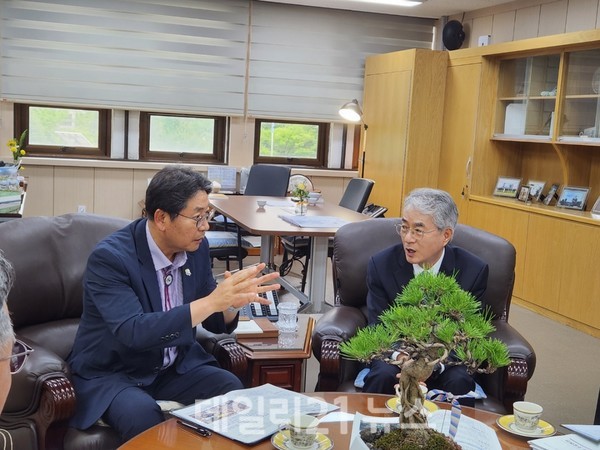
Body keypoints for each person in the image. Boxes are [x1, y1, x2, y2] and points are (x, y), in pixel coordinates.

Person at [68, 165, 280, 442]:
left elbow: (215, 321)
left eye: (208, 215)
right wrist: (213, 300)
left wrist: (232, 301)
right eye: (197, 217)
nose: (206, 227)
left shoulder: (196, 249)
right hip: (116, 372)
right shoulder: (111, 259)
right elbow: (134, 331)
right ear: (161, 218)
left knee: (231, 390)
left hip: (174, 367)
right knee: (142, 414)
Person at [362, 188, 489, 403]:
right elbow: (378, 325)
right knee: (382, 375)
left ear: (446, 235)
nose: (408, 239)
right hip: (396, 353)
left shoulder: (472, 271)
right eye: (404, 228)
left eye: (418, 231)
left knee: (459, 380)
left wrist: (431, 366)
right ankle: (370, 431)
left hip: (444, 358)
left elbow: (469, 334)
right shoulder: (381, 265)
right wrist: (404, 361)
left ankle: (454, 436)